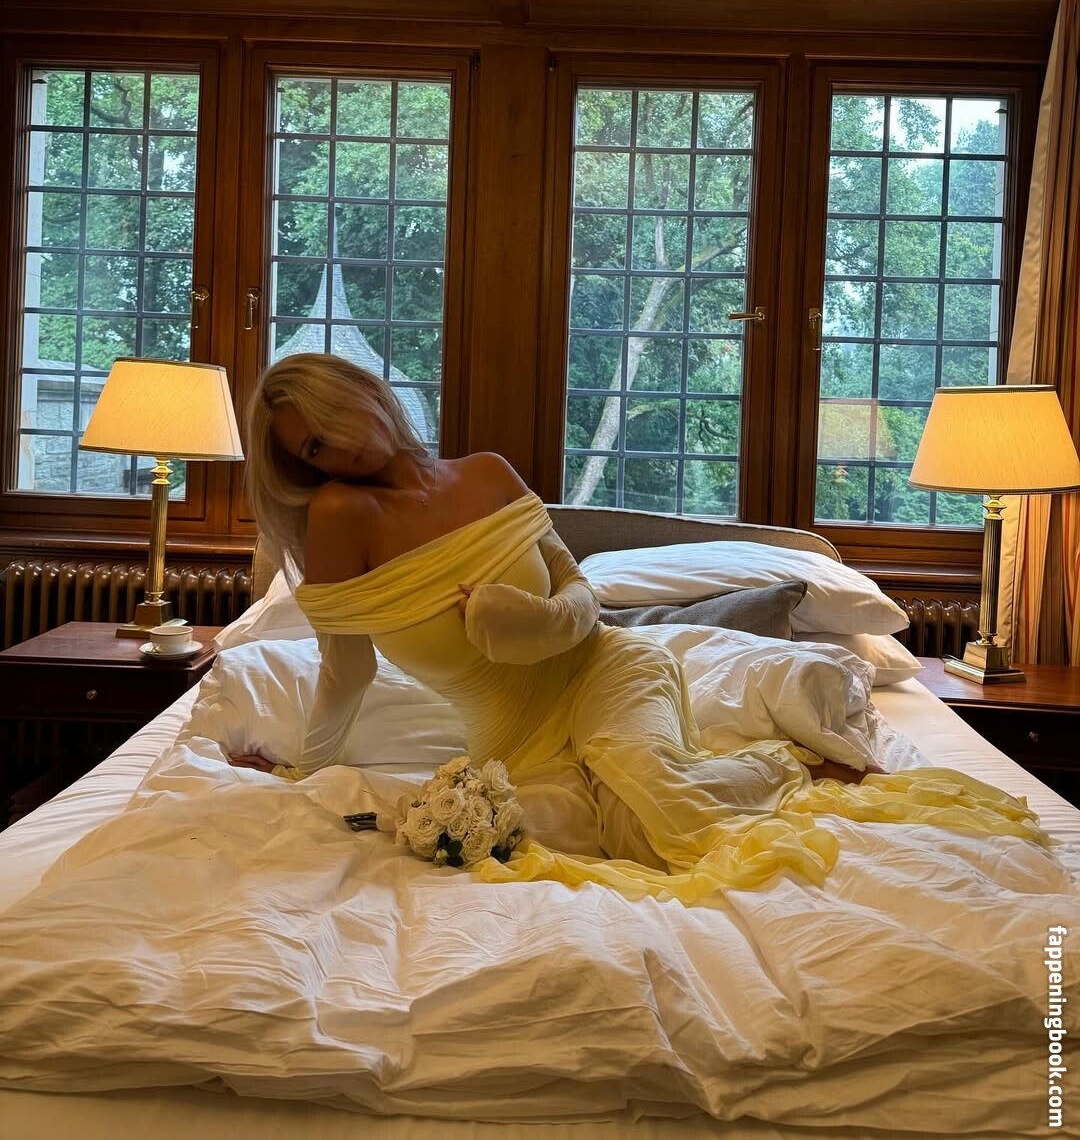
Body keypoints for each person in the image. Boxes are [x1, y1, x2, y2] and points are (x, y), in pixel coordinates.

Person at [230, 352, 1050, 904]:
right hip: (510, 734)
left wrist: (531, 620)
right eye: (313, 449)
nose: (338, 449)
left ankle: (795, 763)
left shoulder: (486, 476)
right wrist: (307, 768)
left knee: (658, 800)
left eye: (334, 418)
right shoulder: (341, 517)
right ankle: (716, 770)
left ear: (368, 392)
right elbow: (347, 669)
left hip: (606, 669)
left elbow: (583, 598)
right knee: (608, 836)